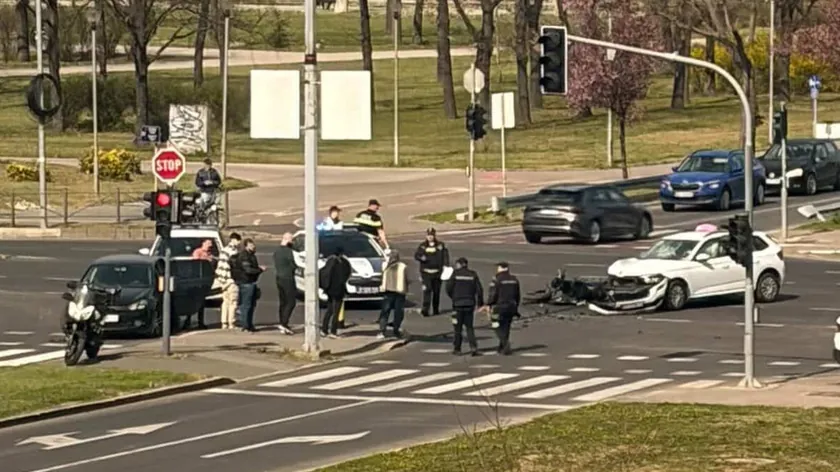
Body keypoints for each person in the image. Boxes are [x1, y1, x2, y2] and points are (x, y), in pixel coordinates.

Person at [445, 257, 483, 356]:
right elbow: (479, 290)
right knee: (469, 327)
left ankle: (457, 349)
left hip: (457, 304)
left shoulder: (455, 274)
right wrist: (480, 303)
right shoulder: (473, 274)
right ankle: (473, 347)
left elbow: (448, 287)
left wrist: (453, 297)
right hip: (469, 304)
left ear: (459, 264)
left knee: (458, 328)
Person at [484, 262, 521, 355]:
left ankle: (505, 344)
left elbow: (493, 293)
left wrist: (489, 304)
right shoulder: (514, 279)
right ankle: (502, 347)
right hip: (511, 306)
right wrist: (516, 307)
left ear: (500, 268)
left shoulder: (496, 279)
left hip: (500, 306)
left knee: (496, 325)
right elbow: (518, 295)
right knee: (506, 327)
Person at [231, 238, 265, 332]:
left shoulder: (251, 255)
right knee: (246, 305)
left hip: (250, 282)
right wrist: (260, 270)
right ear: (246, 246)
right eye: (251, 245)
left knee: (251, 305)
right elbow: (248, 270)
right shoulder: (244, 256)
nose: (253, 247)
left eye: (253, 245)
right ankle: (246, 326)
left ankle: (249, 325)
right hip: (246, 283)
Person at [414, 227, 449, 317]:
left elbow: (445, 256)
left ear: (434, 235)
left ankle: (435, 309)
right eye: (429, 235)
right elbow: (417, 255)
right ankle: (425, 310)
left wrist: (445, 266)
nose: (430, 237)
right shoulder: (422, 246)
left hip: (437, 273)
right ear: (426, 236)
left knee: (436, 292)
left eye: (432, 235)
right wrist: (421, 258)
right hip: (426, 273)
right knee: (427, 291)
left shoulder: (440, 245)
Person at [319, 246, 352, 338]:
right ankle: (333, 331)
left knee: (329, 310)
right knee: (336, 311)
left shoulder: (329, 262)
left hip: (329, 289)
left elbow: (324, 273)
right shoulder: (343, 263)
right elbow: (347, 274)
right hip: (339, 290)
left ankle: (324, 330)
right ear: (341, 253)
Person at [184, 239, 214, 330]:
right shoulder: (198, 252)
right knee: (191, 302)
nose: (210, 245)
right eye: (208, 243)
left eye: (211, 244)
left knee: (202, 303)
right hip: (196, 279)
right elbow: (196, 262)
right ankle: (187, 321)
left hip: (204, 280)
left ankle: (200, 322)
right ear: (203, 243)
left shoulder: (209, 254)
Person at [378, 249, 409, 339]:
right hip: (400, 291)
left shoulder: (385, 266)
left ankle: (382, 331)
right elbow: (409, 279)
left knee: (385, 311)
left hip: (388, 291)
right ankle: (396, 330)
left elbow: (382, 276)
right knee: (398, 312)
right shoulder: (403, 266)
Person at [214, 232, 241, 330]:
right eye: (238, 241)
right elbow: (235, 267)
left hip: (222, 279)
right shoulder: (233, 252)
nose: (239, 243)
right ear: (234, 240)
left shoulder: (223, 250)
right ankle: (231, 322)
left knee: (225, 301)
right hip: (231, 280)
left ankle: (224, 322)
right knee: (233, 302)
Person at [273, 232, 297, 334]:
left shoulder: (276, 251)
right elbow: (292, 265)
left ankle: (282, 322)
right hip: (288, 278)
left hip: (279, 278)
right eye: (291, 240)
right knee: (291, 302)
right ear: (288, 240)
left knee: (283, 302)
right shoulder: (288, 251)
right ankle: (284, 323)